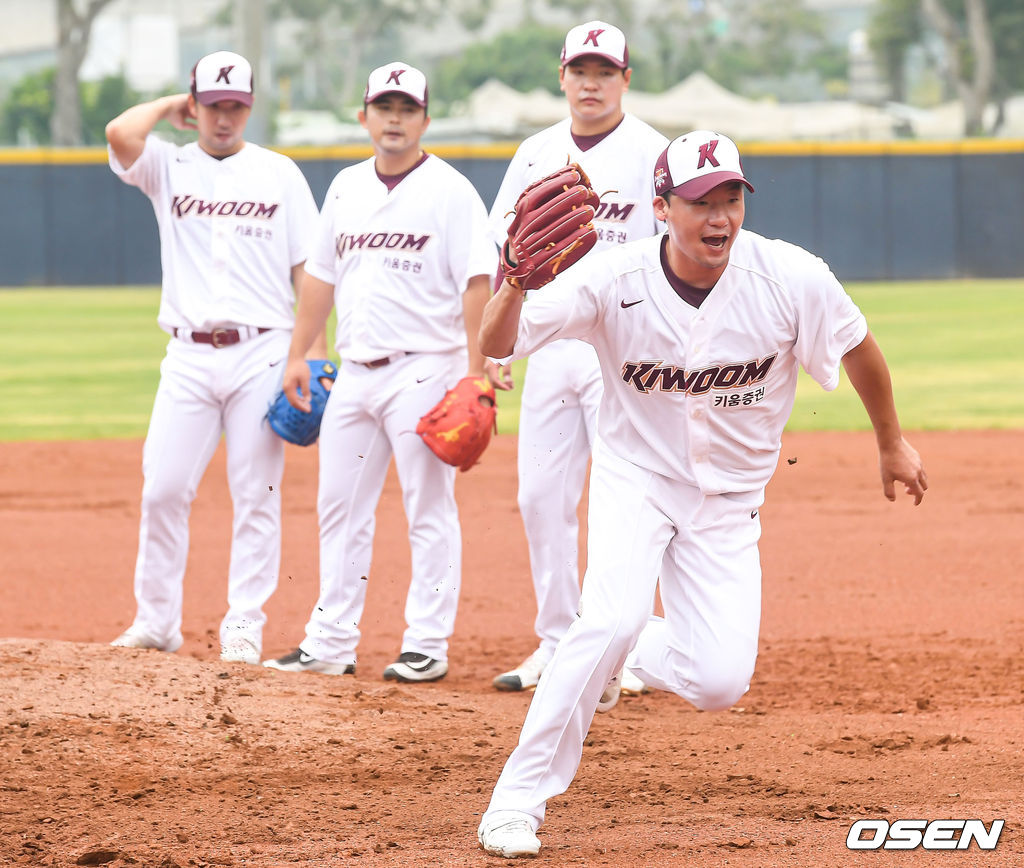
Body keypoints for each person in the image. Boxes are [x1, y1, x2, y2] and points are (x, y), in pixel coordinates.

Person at [475, 130, 929, 858]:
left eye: (730, 199)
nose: (718, 218)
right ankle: (516, 803)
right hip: (637, 478)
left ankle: (620, 648)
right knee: (607, 618)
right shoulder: (611, 279)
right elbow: (500, 343)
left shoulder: (790, 277)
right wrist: (514, 283)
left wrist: (891, 441)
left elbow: (858, 344)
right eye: (699, 203)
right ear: (662, 208)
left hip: (729, 502)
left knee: (718, 681)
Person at [262, 62, 497, 683]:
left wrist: (474, 373)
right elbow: (320, 277)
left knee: (428, 509)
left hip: (425, 367)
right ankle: (331, 642)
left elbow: (478, 284)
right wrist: (298, 353)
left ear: (425, 119)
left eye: (407, 109)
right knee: (338, 508)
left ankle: (427, 643)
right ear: (364, 115)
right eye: (384, 107)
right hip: (355, 373)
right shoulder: (344, 187)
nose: (394, 119)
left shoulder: (449, 191)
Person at [105, 51, 325, 664]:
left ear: (249, 108)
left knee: (255, 492)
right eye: (212, 104)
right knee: (163, 490)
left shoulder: (279, 174)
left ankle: (244, 625)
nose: (224, 117)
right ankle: (156, 622)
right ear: (193, 106)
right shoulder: (167, 167)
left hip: (262, 350)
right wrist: (169, 108)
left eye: (235, 105)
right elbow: (120, 133)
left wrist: (311, 355)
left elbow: (310, 269)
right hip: (187, 356)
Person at [487, 20, 668, 696]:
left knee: (629, 501)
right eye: (580, 70)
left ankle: (624, 645)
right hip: (551, 343)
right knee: (540, 498)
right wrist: (494, 346)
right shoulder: (535, 152)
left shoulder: (654, 152)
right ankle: (559, 641)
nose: (591, 83)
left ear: (626, 78)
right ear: (562, 76)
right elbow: (501, 251)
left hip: (627, 354)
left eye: (605, 71)